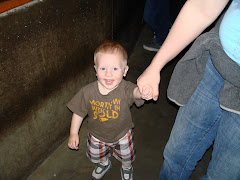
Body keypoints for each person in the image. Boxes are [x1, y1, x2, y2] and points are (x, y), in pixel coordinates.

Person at [137, 0, 240, 179]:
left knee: (222, 175)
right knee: (175, 154)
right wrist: (155, 66)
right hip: (217, 59)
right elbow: (202, 6)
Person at [67, 40, 151, 180]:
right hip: (96, 135)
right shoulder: (87, 92)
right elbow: (78, 112)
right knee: (97, 154)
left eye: (115, 69)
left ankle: (127, 167)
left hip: (122, 134)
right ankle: (104, 163)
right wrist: (73, 133)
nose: (108, 74)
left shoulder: (125, 88)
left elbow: (135, 92)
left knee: (127, 156)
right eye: (103, 68)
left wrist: (143, 92)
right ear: (95, 69)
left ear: (125, 71)